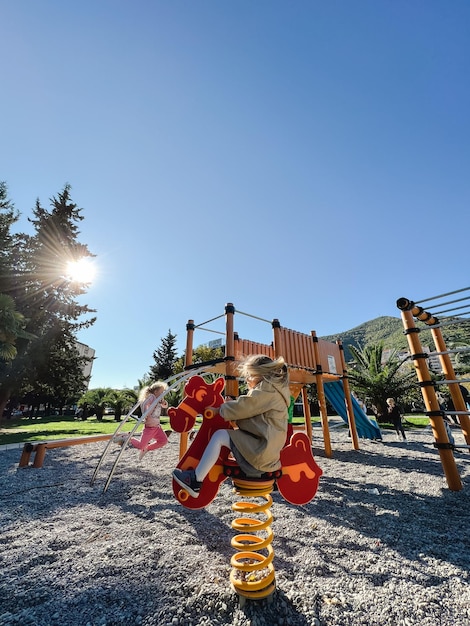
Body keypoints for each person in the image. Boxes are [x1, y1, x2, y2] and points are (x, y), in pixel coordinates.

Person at [172, 355, 290, 498]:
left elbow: (246, 406)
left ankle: (195, 480)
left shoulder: (267, 389)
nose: (247, 380)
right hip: (267, 453)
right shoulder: (276, 391)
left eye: (249, 376)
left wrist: (220, 409)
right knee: (229, 435)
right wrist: (232, 405)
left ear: (260, 374)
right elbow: (254, 413)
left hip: (259, 453)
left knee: (219, 436)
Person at [130, 382, 169, 460]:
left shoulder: (159, 399)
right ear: (155, 392)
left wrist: (164, 403)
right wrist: (145, 414)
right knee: (141, 445)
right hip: (150, 428)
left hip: (157, 427)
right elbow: (144, 404)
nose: (163, 394)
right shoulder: (152, 397)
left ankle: (147, 448)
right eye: (161, 392)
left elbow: (165, 406)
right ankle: (128, 438)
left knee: (163, 441)